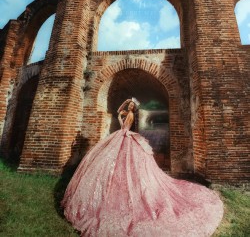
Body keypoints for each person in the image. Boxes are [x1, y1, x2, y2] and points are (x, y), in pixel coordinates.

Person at [62, 98, 223, 237]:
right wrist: (125, 103)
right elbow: (119, 112)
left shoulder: (130, 115)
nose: (130, 107)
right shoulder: (126, 111)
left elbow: (125, 127)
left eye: (132, 106)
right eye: (129, 105)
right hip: (121, 135)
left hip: (125, 136)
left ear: (134, 109)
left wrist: (125, 116)